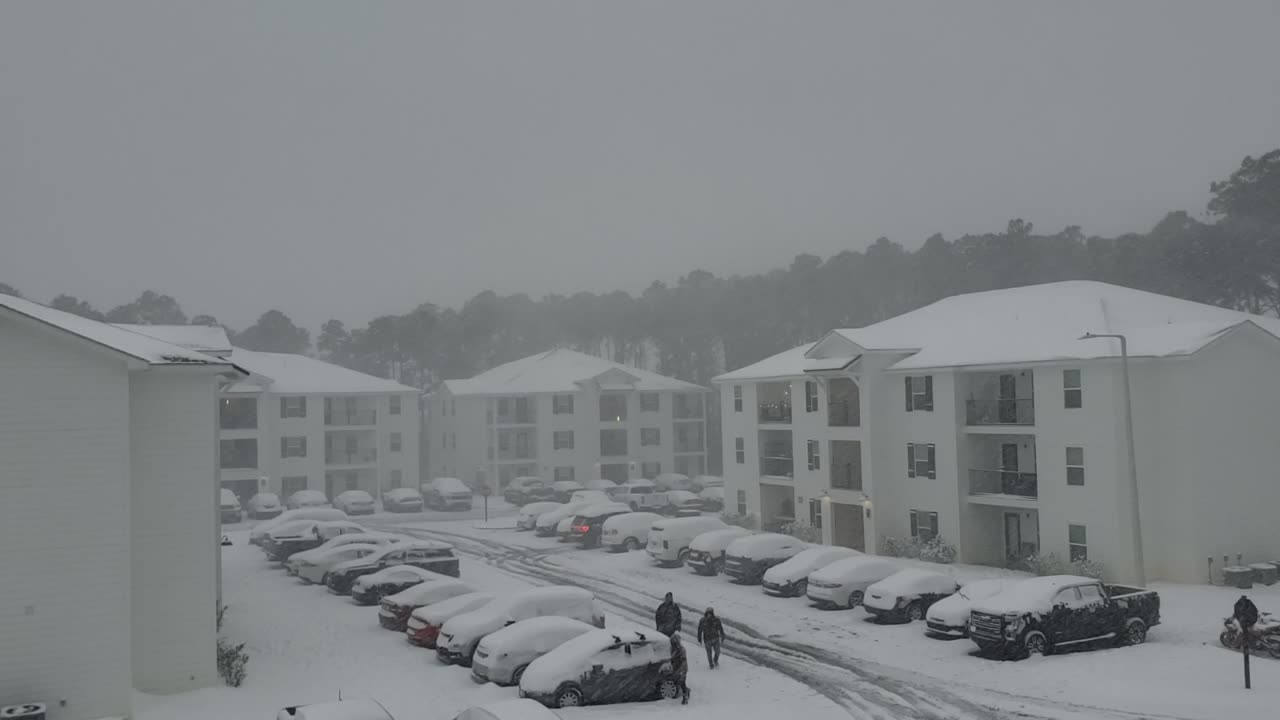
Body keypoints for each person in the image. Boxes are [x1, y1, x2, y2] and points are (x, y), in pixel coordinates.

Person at [668, 632, 690, 704]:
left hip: (681, 668)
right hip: (675, 667)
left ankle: (685, 696)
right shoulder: (671, 648)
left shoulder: (682, 650)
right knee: (675, 681)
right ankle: (681, 691)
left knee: (682, 682)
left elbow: (684, 661)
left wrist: (683, 671)